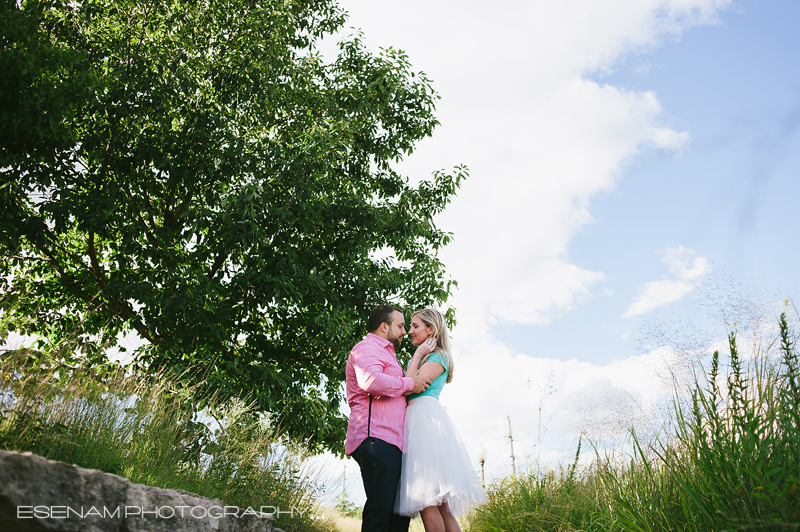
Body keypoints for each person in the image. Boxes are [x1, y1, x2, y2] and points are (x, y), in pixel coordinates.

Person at [394, 308, 488, 532]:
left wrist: (416, 357)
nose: (409, 331)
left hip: (424, 421)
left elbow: (408, 387)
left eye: (415, 326)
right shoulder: (428, 357)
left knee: (427, 500)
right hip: (420, 420)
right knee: (440, 504)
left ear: (431, 329)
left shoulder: (438, 357)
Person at [345, 305, 433, 532]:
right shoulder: (366, 348)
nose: (405, 331)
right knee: (381, 510)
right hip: (376, 438)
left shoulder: (387, 355)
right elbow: (371, 381)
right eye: (401, 325)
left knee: (398, 516)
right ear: (384, 327)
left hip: (393, 443)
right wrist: (409, 383)